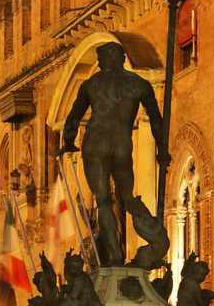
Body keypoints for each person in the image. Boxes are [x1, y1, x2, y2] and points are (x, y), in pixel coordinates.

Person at [57, 42, 170, 265]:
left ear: (108, 59)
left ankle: (116, 258)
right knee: (127, 198)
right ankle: (156, 239)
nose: (98, 64)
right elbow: (157, 119)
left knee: (104, 202)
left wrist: (69, 143)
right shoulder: (139, 84)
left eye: (100, 60)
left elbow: (73, 118)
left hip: (96, 143)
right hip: (122, 144)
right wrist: (162, 149)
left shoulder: (92, 84)